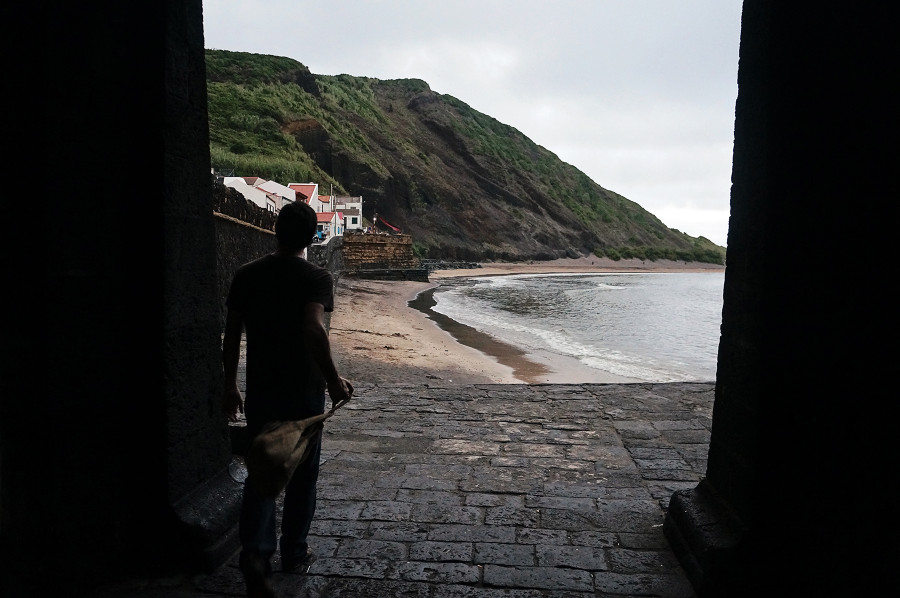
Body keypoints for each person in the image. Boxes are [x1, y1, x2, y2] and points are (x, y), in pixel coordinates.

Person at [222, 201, 352, 597]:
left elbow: (231, 336)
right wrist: (333, 382)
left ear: (275, 231)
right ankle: (294, 552)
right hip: (303, 393)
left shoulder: (246, 275)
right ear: (313, 237)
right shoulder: (315, 277)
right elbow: (315, 329)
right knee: (301, 476)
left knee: (262, 469)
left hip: (261, 389)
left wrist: (230, 383)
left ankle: (257, 555)